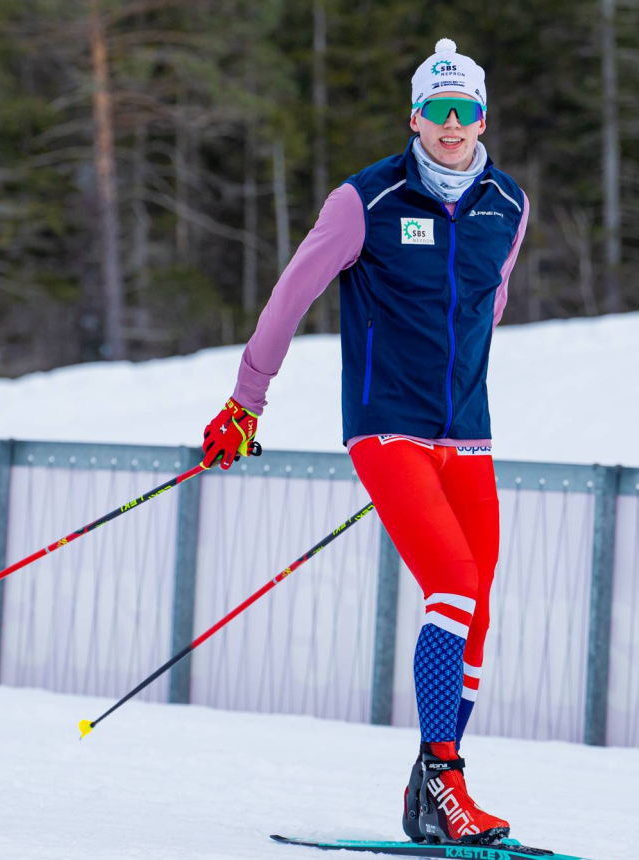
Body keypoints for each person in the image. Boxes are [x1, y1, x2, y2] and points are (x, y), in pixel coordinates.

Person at [199, 38, 528, 847]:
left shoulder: (508, 205)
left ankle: (429, 790)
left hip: (468, 433)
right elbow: (290, 297)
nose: (453, 125)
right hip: (387, 424)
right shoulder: (366, 201)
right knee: (450, 582)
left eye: (467, 110)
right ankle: (447, 785)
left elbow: (488, 312)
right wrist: (247, 400)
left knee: (478, 607)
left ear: (483, 116)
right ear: (415, 115)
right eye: (438, 110)